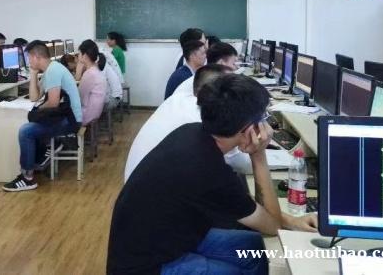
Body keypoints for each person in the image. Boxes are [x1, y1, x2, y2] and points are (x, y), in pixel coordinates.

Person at [108, 74, 318, 275]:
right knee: (237, 271)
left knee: (257, 248)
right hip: (146, 267)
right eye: (263, 118)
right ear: (248, 129)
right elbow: (272, 226)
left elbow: (252, 210)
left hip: (164, 240)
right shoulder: (209, 171)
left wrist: (291, 221)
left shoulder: (192, 132)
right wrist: (258, 155)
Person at [126, 64, 240, 181]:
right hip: (156, 185)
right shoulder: (206, 115)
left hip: (137, 182)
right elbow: (238, 161)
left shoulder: (179, 98)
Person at [2, 40, 82, 192]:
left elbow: (53, 102)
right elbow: (34, 97)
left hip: (70, 121)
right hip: (65, 116)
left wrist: (37, 111)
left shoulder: (53, 71)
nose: (28, 62)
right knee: (32, 120)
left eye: (29, 58)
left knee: (26, 131)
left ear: (36, 57)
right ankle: (41, 156)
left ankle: (27, 178)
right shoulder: (50, 69)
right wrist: (33, 74)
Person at [75, 40, 107, 125]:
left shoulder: (89, 74)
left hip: (87, 115)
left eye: (79, 53)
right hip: (94, 112)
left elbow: (79, 98)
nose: (78, 55)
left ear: (84, 56)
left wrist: (78, 69)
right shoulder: (95, 70)